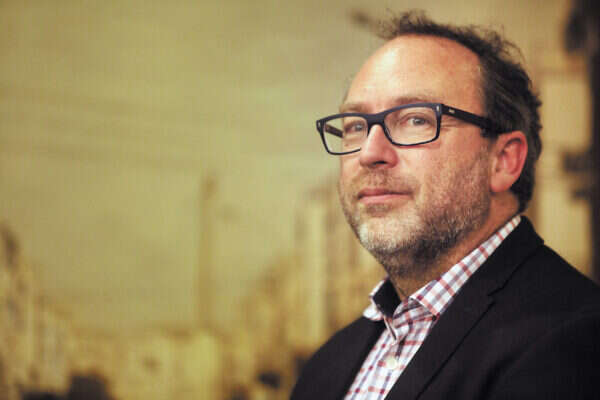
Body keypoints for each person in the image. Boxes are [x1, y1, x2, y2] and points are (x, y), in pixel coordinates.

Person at [290, 11, 600, 400]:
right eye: (355, 126)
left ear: (503, 161)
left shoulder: (573, 340)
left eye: (415, 120)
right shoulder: (326, 365)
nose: (369, 152)